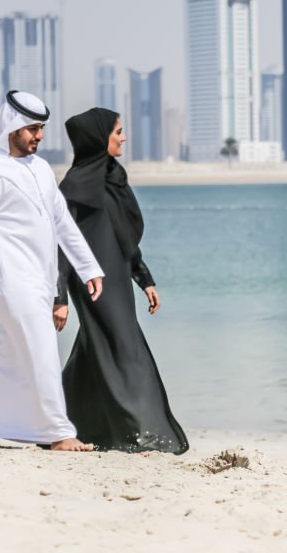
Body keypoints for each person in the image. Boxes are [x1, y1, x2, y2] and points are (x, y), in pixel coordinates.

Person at [0, 90, 104, 452]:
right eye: (32, 129)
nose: (38, 136)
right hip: (11, 280)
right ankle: (59, 433)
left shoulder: (41, 169)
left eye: (41, 129)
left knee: (9, 352)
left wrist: (89, 268)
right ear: (12, 127)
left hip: (40, 278)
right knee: (43, 348)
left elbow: (62, 223)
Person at [54, 107, 189, 454]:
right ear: (99, 138)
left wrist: (145, 280)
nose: (124, 137)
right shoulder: (73, 186)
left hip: (118, 276)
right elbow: (61, 246)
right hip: (91, 283)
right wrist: (60, 297)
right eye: (117, 132)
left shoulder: (114, 176)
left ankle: (63, 423)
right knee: (124, 348)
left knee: (95, 350)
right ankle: (139, 432)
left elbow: (124, 236)